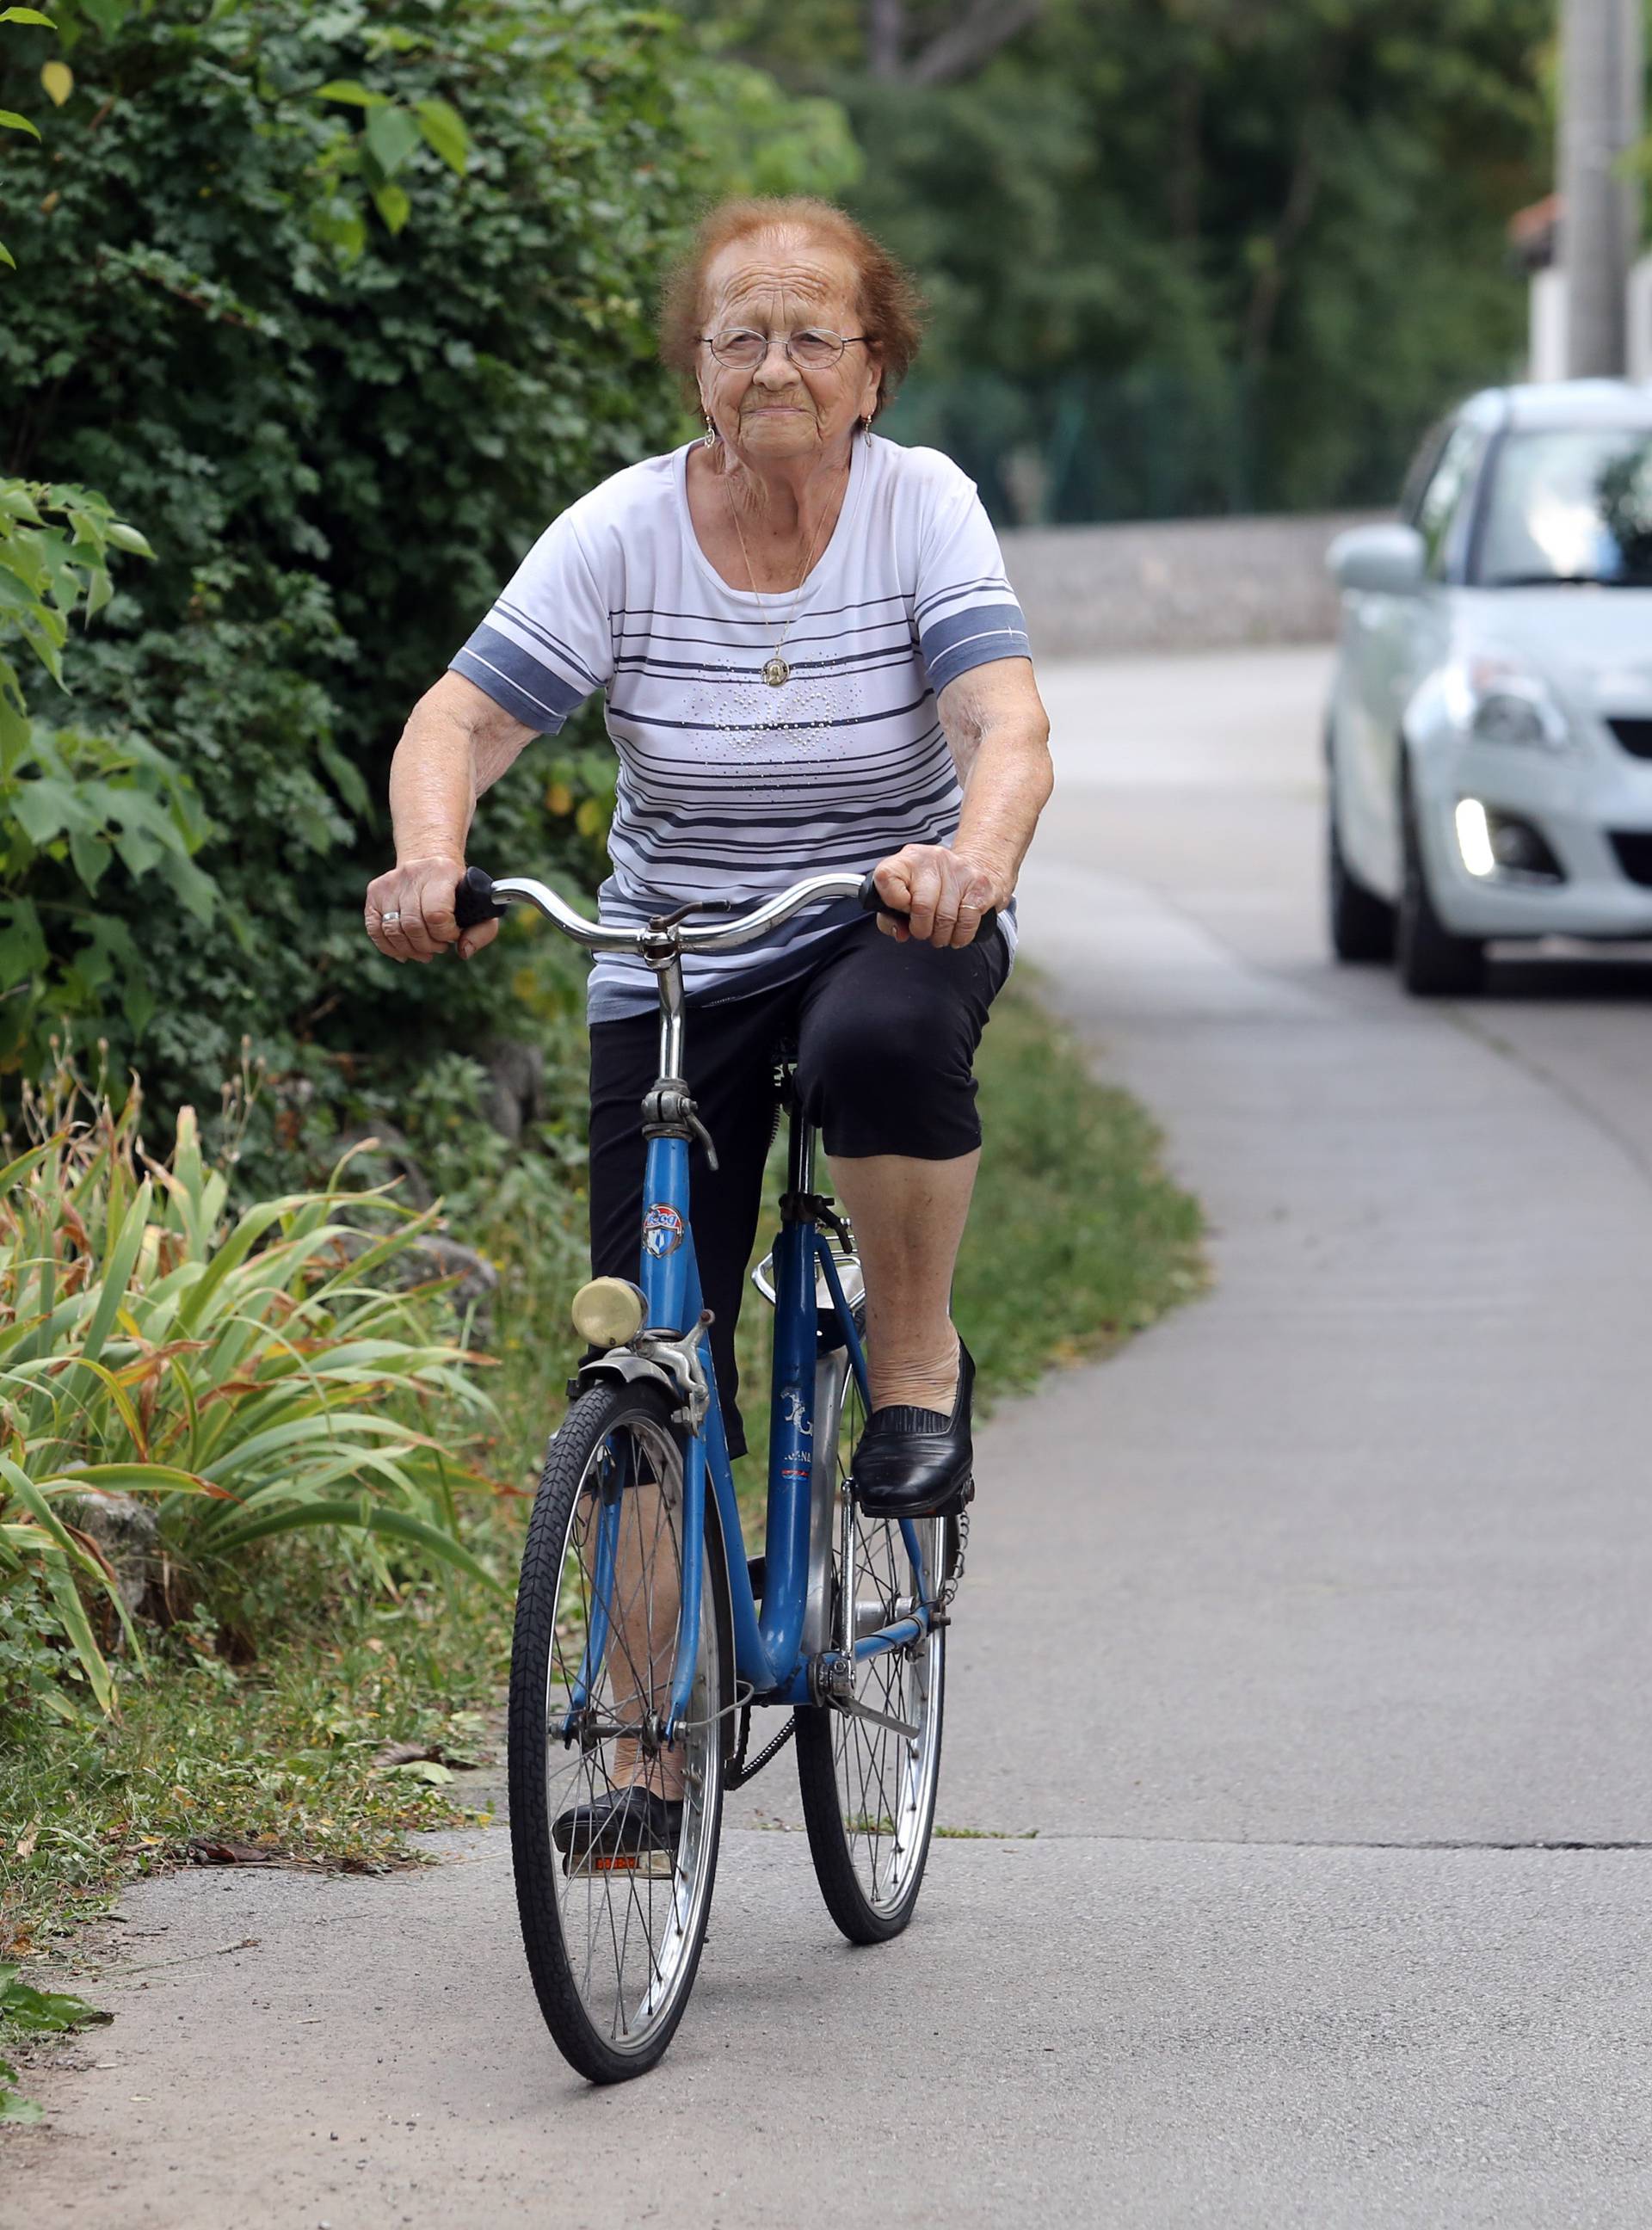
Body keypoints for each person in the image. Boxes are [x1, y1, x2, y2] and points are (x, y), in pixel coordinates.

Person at [366, 193, 1051, 1533]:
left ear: (873, 370)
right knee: (642, 1370)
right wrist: (426, 861)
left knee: (877, 1043)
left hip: (886, 914)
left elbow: (1003, 721)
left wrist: (973, 858)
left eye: (811, 338)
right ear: (699, 368)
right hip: (675, 948)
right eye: (740, 340)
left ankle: (914, 1364)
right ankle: (640, 1745)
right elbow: (462, 717)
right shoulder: (621, 534)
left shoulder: (924, 508)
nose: (774, 369)